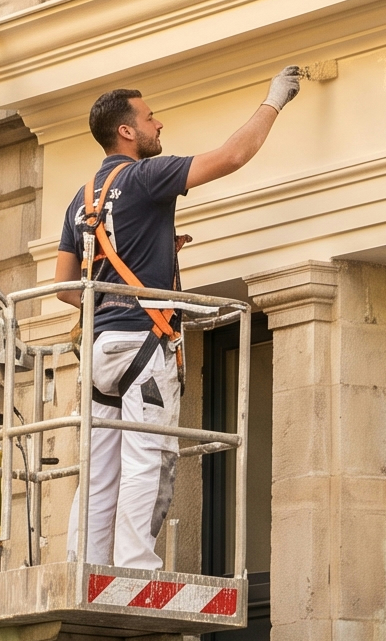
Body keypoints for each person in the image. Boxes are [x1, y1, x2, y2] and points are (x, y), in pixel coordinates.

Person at [54, 69, 302, 571]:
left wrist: (133, 280)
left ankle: (85, 568)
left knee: (99, 470)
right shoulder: (148, 176)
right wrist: (274, 99)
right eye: (149, 118)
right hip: (143, 346)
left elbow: (65, 288)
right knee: (149, 456)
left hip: (100, 351)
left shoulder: (81, 198)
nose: (158, 123)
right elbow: (231, 157)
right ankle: (136, 569)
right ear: (127, 131)